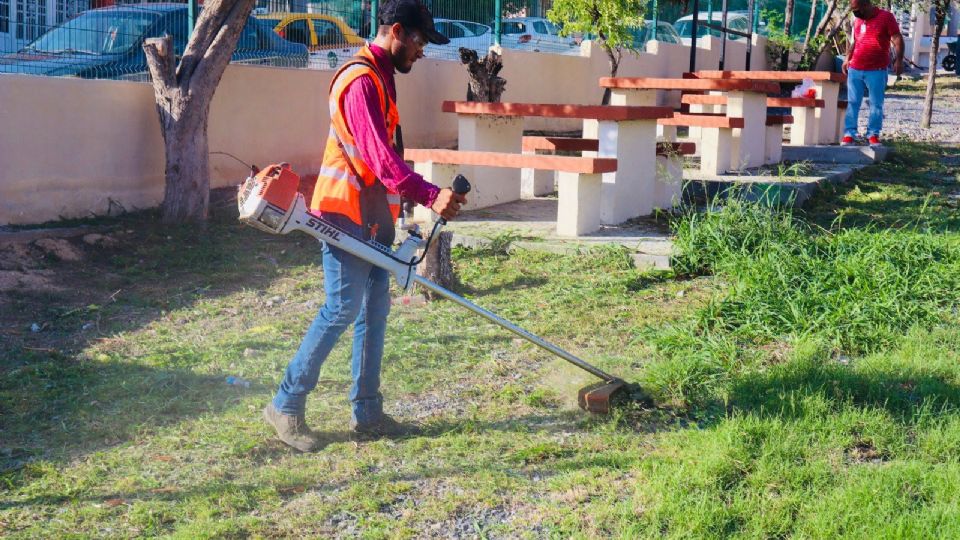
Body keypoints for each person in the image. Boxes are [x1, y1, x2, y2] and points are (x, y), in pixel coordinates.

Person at [263, 0, 466, 452]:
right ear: (397, 30)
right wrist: (432, 196)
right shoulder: (360, 81)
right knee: (341, 309)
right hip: (343, 213)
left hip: (372, 216)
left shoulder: (381, 77)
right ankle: (286, 404)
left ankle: (368, 413)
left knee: (374, 310)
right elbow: (380, 159)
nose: (422, 52)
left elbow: (381, 164)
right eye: (418, 41)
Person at [841, 0, 905, 147]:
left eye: (856, 9)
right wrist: (847, 59)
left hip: (876, 70)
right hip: (855, 68)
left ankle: (873, 134)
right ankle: (849, 134)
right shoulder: (857, 20)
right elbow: (855, 41)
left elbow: (897, 39)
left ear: (865, 5)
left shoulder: (886, 17)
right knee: (853, 102)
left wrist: (899, 60)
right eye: (853, 10)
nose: (855, 13)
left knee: (876, 104)